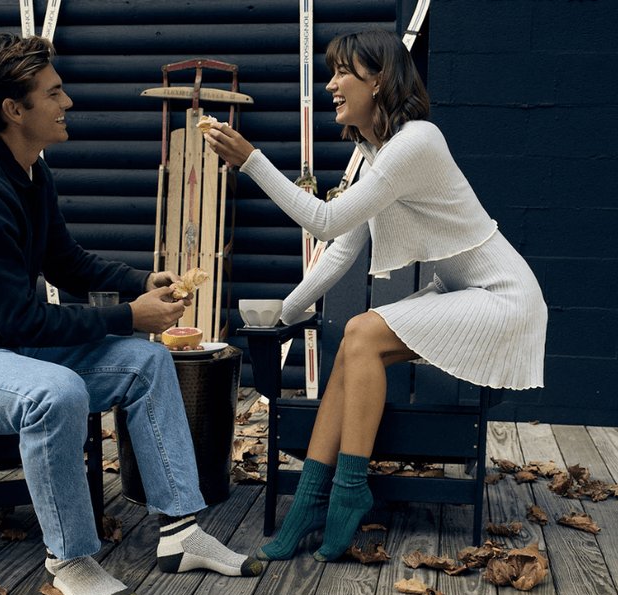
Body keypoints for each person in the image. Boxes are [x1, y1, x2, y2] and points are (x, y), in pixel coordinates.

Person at [0, 33, 262, 595]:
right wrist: (128, 316)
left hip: (3, 350)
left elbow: (68, 262)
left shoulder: (30, 170)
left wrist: (141, 282)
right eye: (54, 93)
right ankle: (70, 560)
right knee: (54, 392)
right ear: (14, 109)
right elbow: (22, 321)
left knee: (148, 360)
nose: (69, 103)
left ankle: (181, 534)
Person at [205, 28, 547, 562]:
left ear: (380, 78)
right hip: (465, 291)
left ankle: (346, 491)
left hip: (502, 296)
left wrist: (251, 161)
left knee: (362, 331)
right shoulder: (375, 153)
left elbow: (324, 220)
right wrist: (283, 317)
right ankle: (310, 502)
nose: (332, 84)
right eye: (331, 71)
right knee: (356, 343)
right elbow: (341, 249)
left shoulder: (417, 142)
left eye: (344, 71)